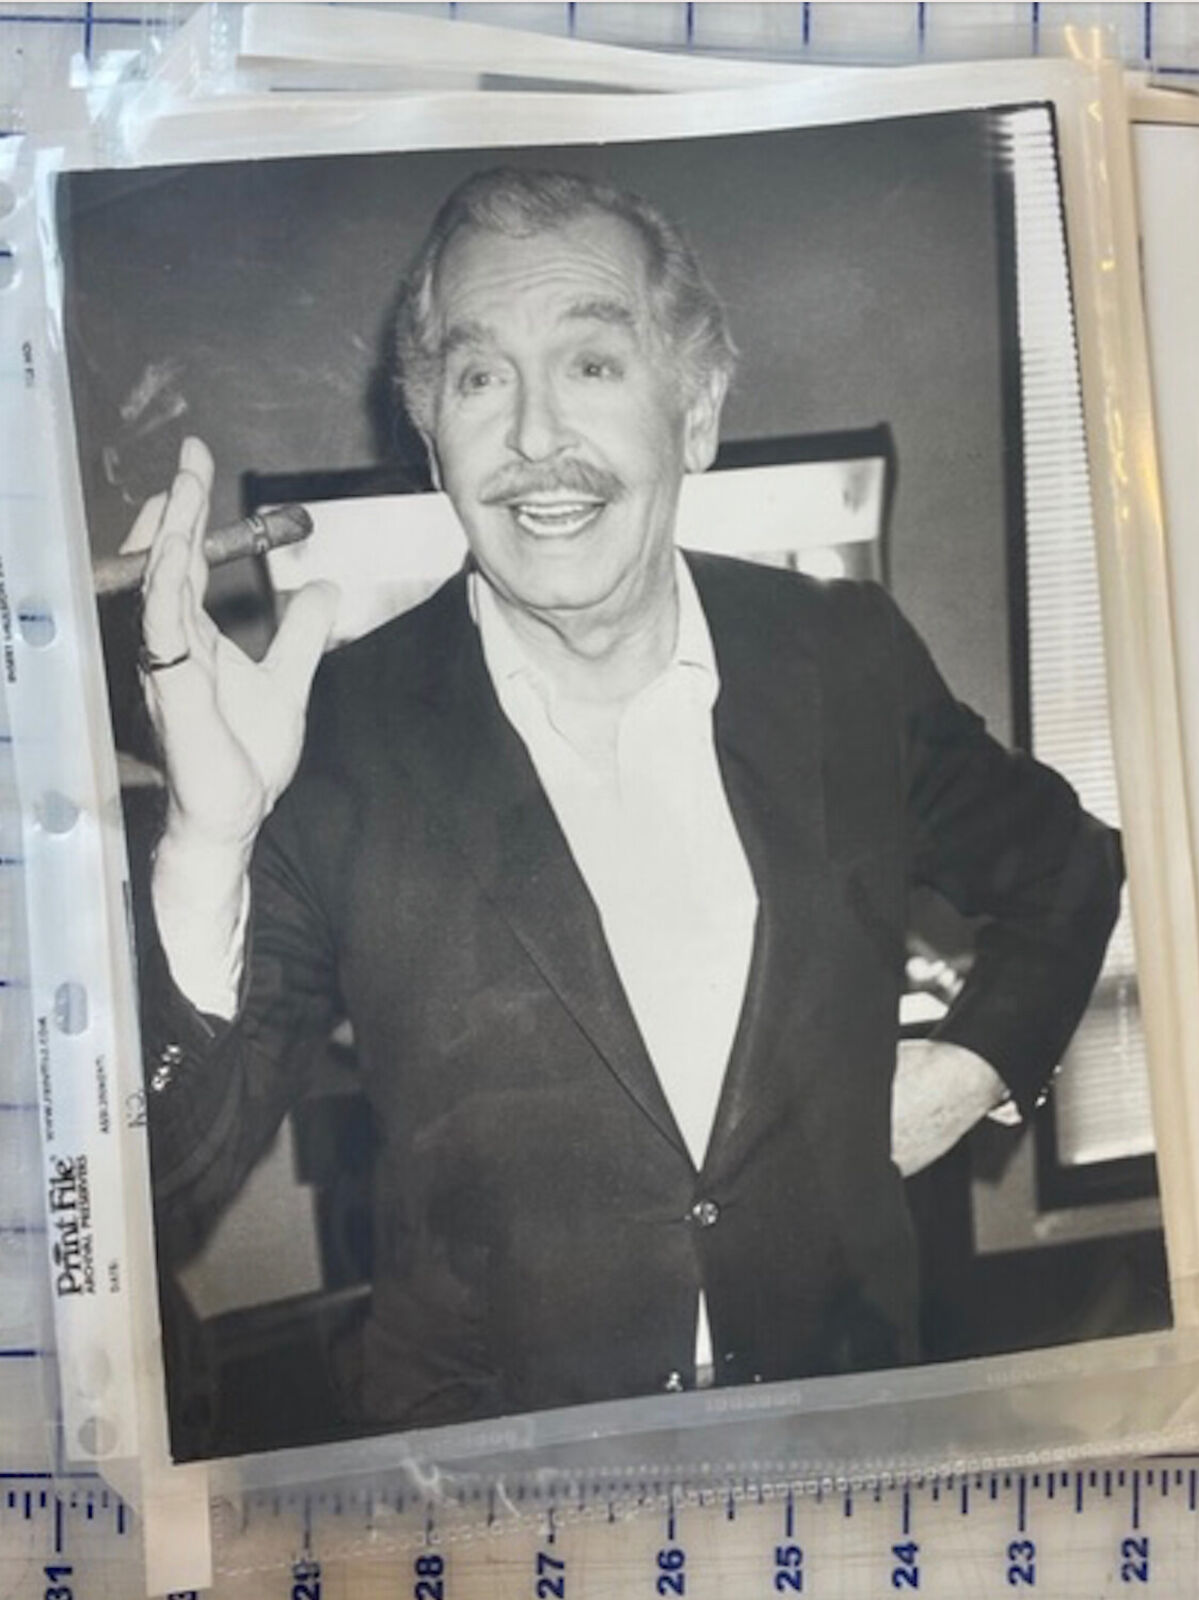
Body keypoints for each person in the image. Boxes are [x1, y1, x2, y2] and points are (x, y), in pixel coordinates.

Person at [133, 167, 1122, 1438]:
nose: (536, 438)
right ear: (431, 433)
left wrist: (975, 1063)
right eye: (482, 379)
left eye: (593, 365)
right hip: (500, 1465)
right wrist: (209, 845)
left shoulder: (842, 653)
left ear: (695, 411)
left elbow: (1066, 865)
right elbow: (160, 1175)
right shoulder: (332, 736)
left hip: (847, 1409)